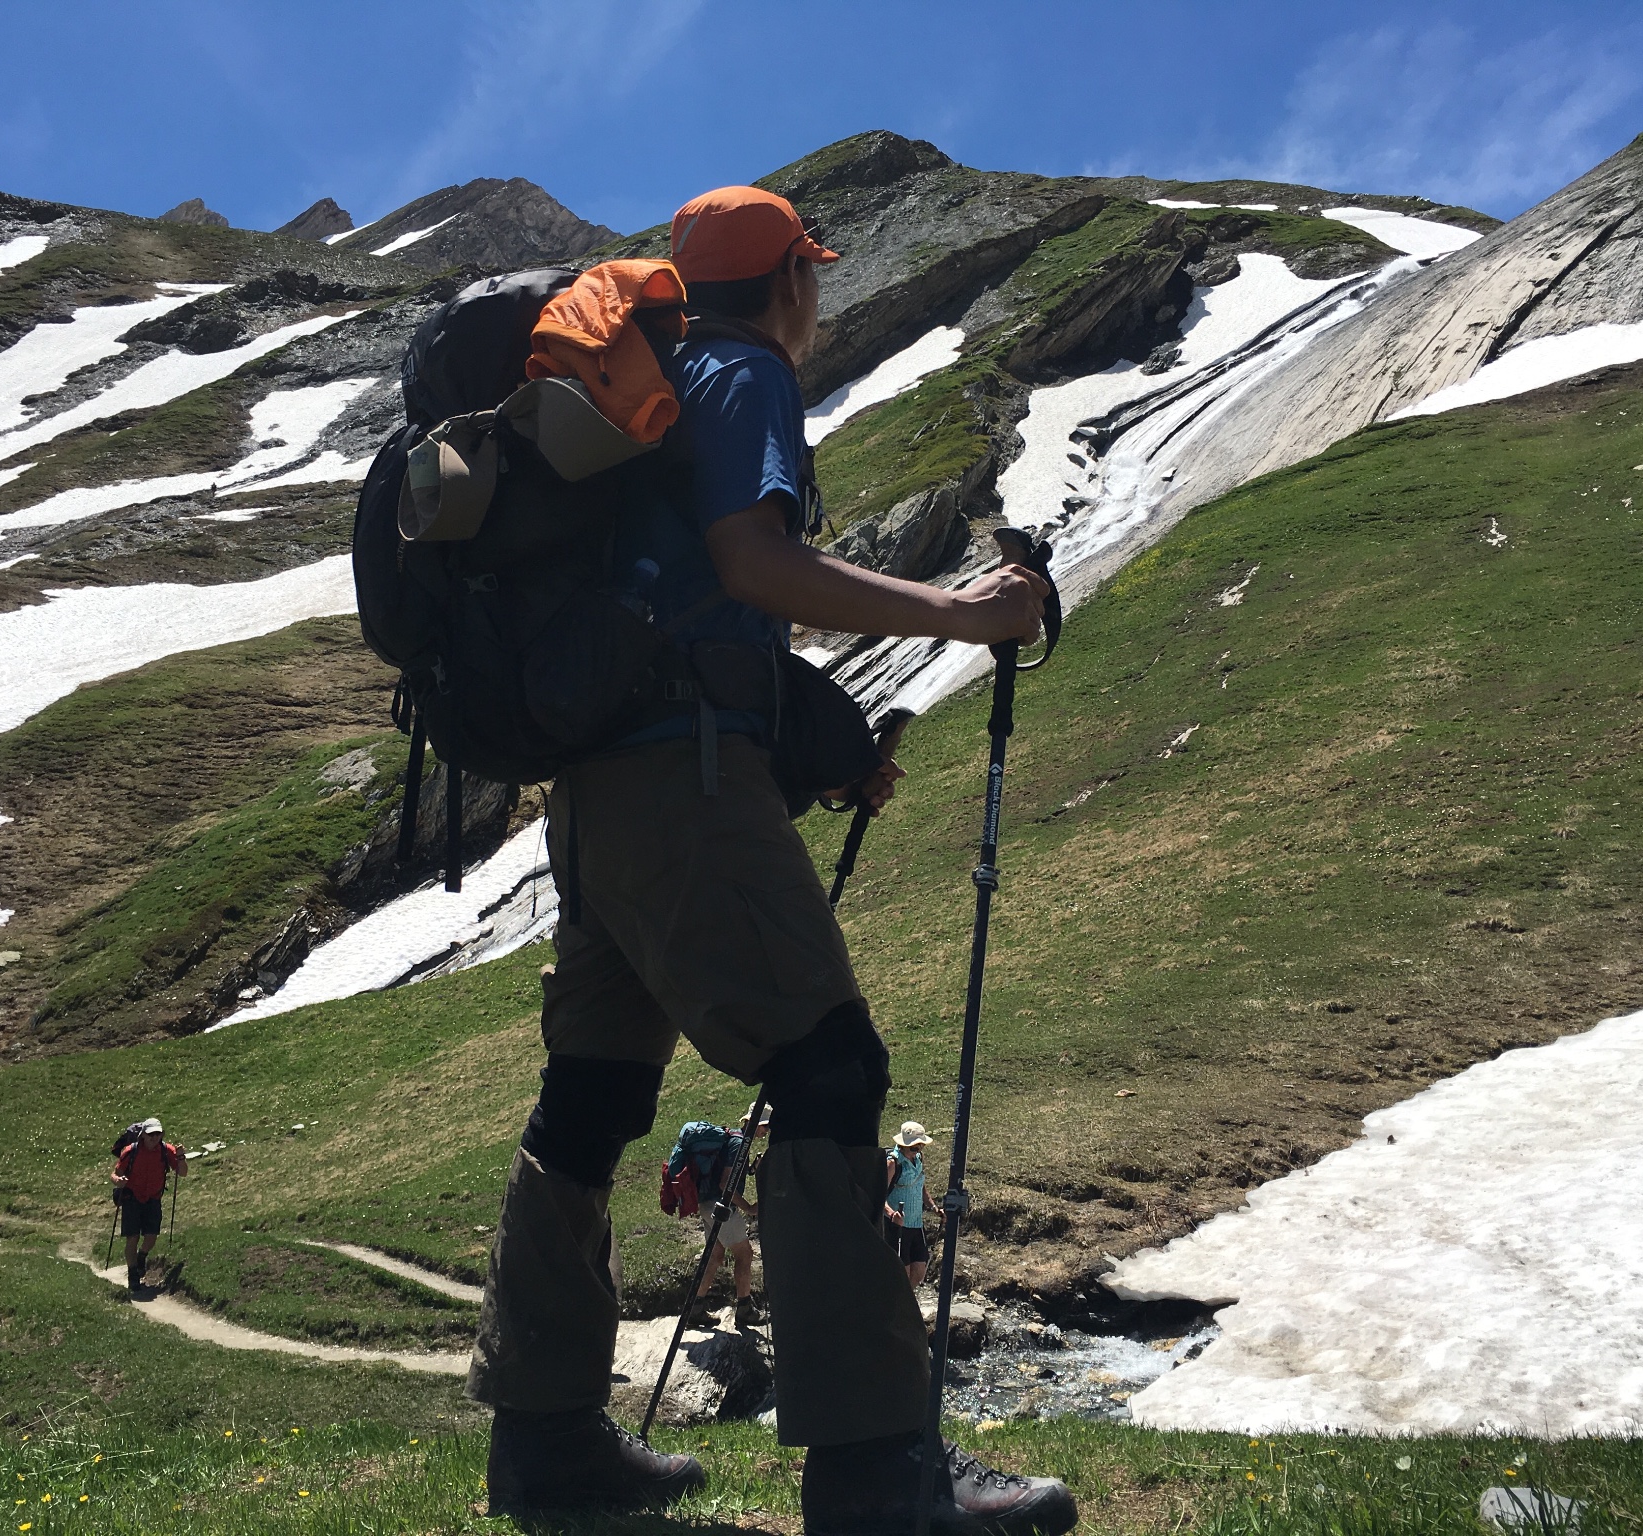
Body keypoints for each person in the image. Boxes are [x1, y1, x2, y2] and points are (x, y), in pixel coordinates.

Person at [470, 184, 1074, 1536]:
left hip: (596, 788)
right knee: (826, 1066)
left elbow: (679, 603)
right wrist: (957, 614)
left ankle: (548, 1448)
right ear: (792, 284)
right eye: (813, 274)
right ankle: (877, 1471)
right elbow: (749, 564)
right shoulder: (740, 377)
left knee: (590, 1096)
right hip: (680, 778)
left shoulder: (644, 396)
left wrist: (804, 742)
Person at [687, 1110, 771, 1328]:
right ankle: (745, 1309)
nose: (767, 1130)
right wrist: (749, 1208)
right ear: (754, 1123)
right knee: (745, 1254)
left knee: (715, 1256)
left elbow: (731, 1175)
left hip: (706, 1203)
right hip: (721, 1206)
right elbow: (726, 1183)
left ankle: (695, 1308)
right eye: (765, 1126)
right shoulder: (739, 1144)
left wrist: (753, 1169)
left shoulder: (734, 1139)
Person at [111, 1117, 186, 1294]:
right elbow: (115, 1173)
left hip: (153, 1198)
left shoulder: (166, 1151)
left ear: (162, 1135)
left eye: (157, 1134)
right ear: (143, 1135)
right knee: (132, 1237)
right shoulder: (131, 1151)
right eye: (151, 1134)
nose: (154, 1137)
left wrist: (180, 1157)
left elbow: (182, 1173)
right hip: (132, 1197)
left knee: (151, 1237)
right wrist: (118, 1181)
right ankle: (132, 1275)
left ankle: (141, 1256)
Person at [883, 1122, 940, 1288]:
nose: (918, 1151)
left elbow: (920, 1186)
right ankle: (897, 1308)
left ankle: (907, 1304)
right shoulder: (893, 1163)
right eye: (914, 1148)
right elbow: (879, 1196)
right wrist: (892, 1214)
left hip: (916, 1224)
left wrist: (933, 1207)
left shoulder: (919, 1159)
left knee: (919, 1271)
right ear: (902, 1145)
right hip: (898, 1227)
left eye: (920, 1147)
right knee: (902, 1273)